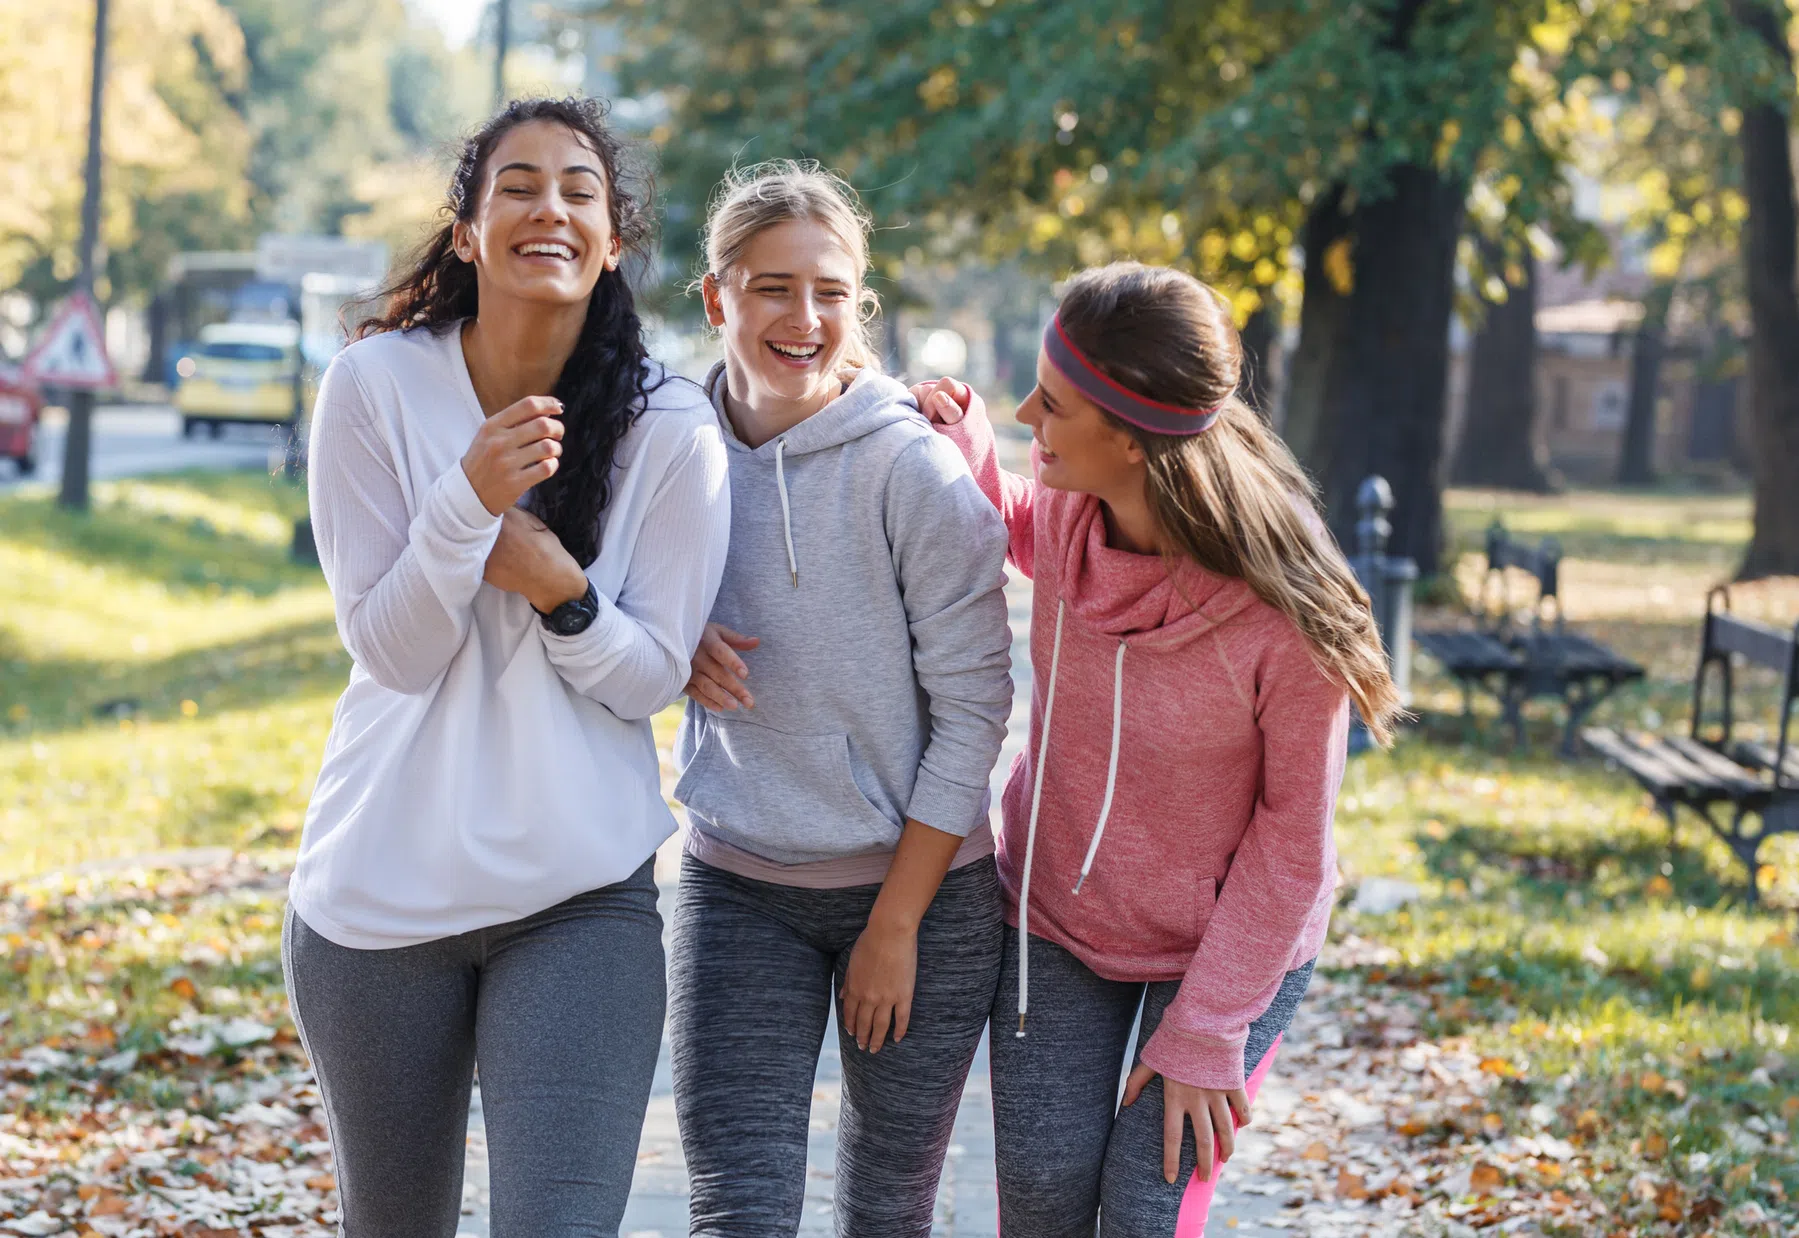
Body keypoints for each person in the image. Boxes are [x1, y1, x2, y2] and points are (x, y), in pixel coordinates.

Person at [282, 98, 730, 1238]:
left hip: (575, 903)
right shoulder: (374, 387)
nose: (550, 206)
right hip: (377, 907)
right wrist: (466, 502)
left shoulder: (668, 428)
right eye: (518, 185)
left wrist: (559, 589)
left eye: (580, 189)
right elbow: (390, 647)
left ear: (612, 241)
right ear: (469, 233)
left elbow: (648, 679)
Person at [911, 262, 1404, 1237]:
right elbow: (1019, 526)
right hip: (1057, 916)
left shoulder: (1280, 605)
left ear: (1130, 440)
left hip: (1222, 949)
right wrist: (965, 441)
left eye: (1049, 404)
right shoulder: (1068, 510)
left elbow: (1292, 840)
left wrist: (1210, 1024)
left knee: (1141, 1211)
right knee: (1044, 1204)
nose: (1023, 414)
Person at [667, 161, 1013, 1238]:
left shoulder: (911, 469)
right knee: (738, 1212)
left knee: (884, 1212)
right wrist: (661, 638)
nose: (802, 317)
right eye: (772, 287)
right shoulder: (666, 451)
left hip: (923, 889)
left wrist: (897, 918)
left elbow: (975, 709)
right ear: (720, 296)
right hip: (738, 883)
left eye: (827, 290)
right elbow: (579, 581)